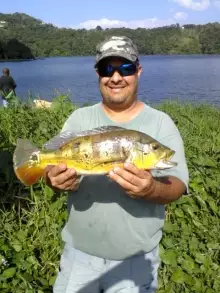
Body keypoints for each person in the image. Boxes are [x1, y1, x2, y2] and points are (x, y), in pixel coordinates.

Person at [44, 36, 189, 293]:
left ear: (138, 71)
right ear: (97, 74)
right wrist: (52, 179)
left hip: (135, 261)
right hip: (79, 255)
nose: (116, 77)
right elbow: (51, 165)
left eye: (125, 68)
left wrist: (151, 189)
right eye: (106, 69)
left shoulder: (161, 123)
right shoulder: (79, 119)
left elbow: (177, 183)